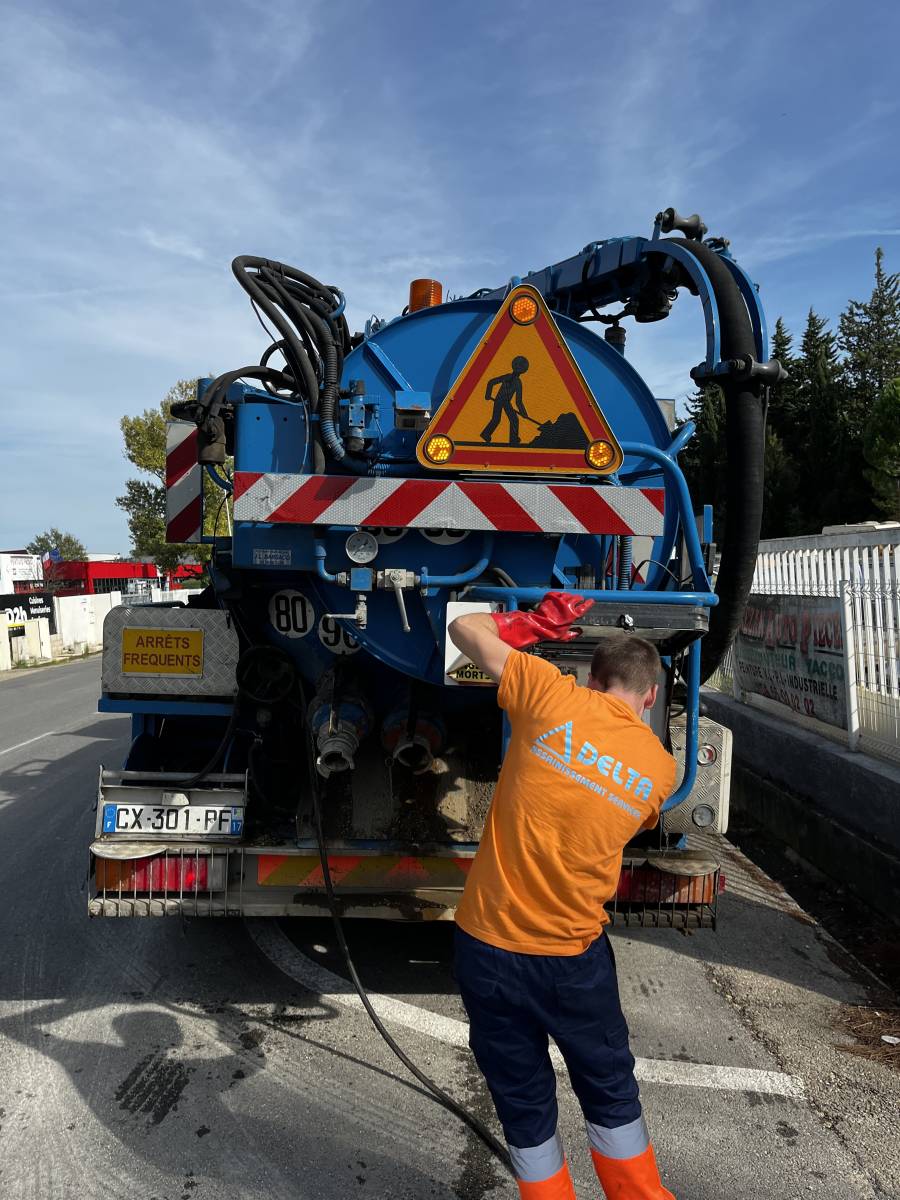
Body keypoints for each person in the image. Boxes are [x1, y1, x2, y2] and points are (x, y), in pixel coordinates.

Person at [449, 594, 677, 1200]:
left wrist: (531, 623)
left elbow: (463, 629)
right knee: (607, 1086)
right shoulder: (659, 770)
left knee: (522, 1098)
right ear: (649, 696)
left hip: (487, 947)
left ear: (591, 679)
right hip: (573, 958)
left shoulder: (550, 695)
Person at [481, 356, 531, 444]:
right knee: (499, 419)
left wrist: (524, 413)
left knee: (510, 419)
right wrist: (487, 394)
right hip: (500, 401)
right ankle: (487, 434)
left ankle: (512, 438)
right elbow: (491, 382)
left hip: (504, 402)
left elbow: (518, 401)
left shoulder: (513, 380)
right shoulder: (513, 380)